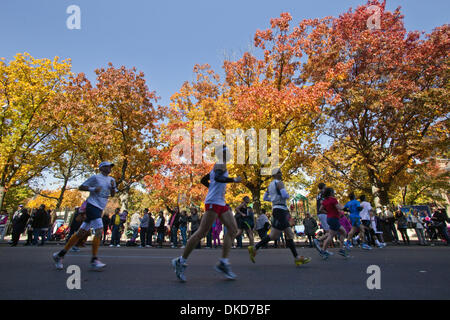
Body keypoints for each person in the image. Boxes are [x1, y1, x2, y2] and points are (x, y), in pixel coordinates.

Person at [172, 144, 242, 281]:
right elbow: (218, 179)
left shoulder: (219, 166)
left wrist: (213, 188)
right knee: (202, 233)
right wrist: (233, 180)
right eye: (227, 150)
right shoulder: (220, 164)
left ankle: (223, 262)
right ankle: (180, 261)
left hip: (220, 202)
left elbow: (204, 180)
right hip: (213, 203)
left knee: (233, 230)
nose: (229, 152)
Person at [53, 161, 117, 271]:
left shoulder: (112, 180)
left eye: (110, 166)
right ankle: (94, 260)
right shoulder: (95, 178)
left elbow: (112, 194)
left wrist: (112, 187)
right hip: (92, 205)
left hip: (100, 208)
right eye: (107, 166)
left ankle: (60, 254)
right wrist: (93, 189)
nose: (109, 168)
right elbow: (81, 187)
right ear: (101, 168)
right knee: (99, 230)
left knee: (80, 233)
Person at [248, 168, 311, 266]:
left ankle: (297, 258)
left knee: (286, 234)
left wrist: (273, 200)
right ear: (276, 174)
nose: (281, 174)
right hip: (281, 210)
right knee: (278, 235)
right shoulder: (279, 183)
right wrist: (287, 196)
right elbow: (285, 195)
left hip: (277, 210)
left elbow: (265, 198)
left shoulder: (270, 186)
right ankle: (255, 248)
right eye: (280, 172)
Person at [314, 187, 349, 259]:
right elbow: (338, 207)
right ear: (331, 192)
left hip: (329, 218)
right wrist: (345, 208)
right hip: (334, 219)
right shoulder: (333, 199)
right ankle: (340, 249)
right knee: (339, 233)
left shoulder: (325, 201)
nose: (334, 193)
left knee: (335, 233)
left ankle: (325, 250)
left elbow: (320, 209)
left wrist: (327, 212)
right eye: (333, 191)